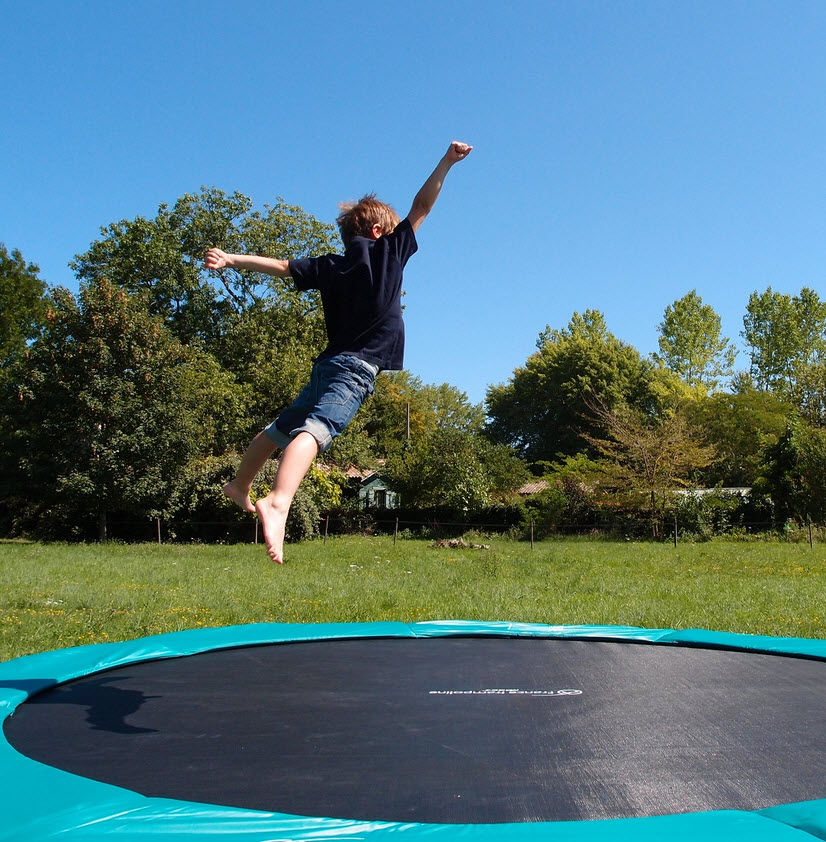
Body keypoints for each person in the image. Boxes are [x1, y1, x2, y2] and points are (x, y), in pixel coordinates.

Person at [204, 140, 473, 564]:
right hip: (354, 371)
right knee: (316, 430)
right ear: (381, 232)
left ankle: (240, 484)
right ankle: (278, 501)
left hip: (327, 366)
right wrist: (446, 162)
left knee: (280, 428)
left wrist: (232, 259)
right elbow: (422, 205)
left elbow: (279, 265)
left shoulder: (330, 265)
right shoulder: (390, 252)